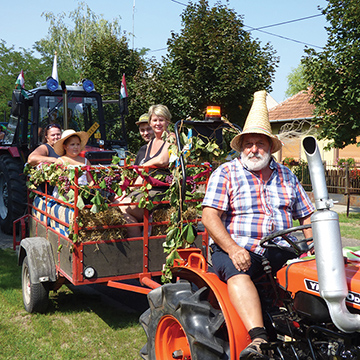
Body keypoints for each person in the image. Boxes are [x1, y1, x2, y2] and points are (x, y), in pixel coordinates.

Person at [201, 90, 314, 359]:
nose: (254, 149)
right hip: (240, 248)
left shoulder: (286, 175)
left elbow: (308, 216)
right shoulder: (226, 173)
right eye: (248, 143)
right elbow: (209, 216)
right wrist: (231, 248)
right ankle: (259, 339)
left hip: (283, 249)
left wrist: (311, 247)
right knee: (238, 271)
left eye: (260, 143)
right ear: (241, 147)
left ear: (269, 146)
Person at [118, 104, 174, 237]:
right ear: (150, 122)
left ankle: (138, 247)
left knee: (124, 208)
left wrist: (145, 165)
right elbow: (142, 173)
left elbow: (163, 160)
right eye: (155, 120)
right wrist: (129, 189)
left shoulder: (171, 138)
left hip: (162, 191)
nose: (158, 123)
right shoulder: (150, 143)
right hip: (147, 188)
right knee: (118, 203)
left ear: (167, 121)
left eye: (161, 120)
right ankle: (138, 241)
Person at [52, 130, 91, 199]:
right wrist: (70, 190)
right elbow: (57, 182)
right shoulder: (60, 161)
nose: (76, 147)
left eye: (78, 144)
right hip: (65, 192)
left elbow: (90, 180)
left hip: (83, 192)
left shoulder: (85, 161)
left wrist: (89, 189)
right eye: (72, 144)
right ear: (65, 146)